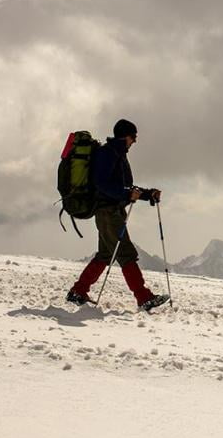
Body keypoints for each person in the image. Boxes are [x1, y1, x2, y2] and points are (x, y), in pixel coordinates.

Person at [66, 119, 169, 311]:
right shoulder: (109, 153)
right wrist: (126, 194)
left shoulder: (117, 154)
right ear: (125, 136)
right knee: (126, 254)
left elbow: (123, 187)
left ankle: (78, 291)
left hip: (111, 211)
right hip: (108, 212)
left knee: (106, 255)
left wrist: (147, 194)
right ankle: (143, 297)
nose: (135, 141)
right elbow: (101, 183)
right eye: (134, 136)